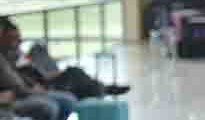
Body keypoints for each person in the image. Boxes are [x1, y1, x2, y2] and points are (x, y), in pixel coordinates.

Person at [1, 18, 129, 99]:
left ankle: (101, 89)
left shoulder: (17, 54)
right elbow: (28, 81)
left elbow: (35, 72)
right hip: (44, 86)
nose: (18, 42)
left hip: (46, 81)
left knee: (76, 74)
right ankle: (103, 89)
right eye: (14, 39)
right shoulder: (7, 61)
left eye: (19, 38)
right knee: (75, 75)